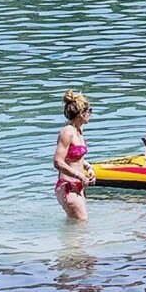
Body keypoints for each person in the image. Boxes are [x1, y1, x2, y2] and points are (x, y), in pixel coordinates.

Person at [53, 89, 95, 221]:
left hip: (79, 186)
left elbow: (75, 157)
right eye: (89, 111)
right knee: (81, 225)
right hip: (68, 187)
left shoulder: (79, 130)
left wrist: (88, 167)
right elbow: (58, 162)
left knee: (76, 229)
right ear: (81, 114)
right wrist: (79, 175)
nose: (90, 115)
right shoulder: (67, 132)